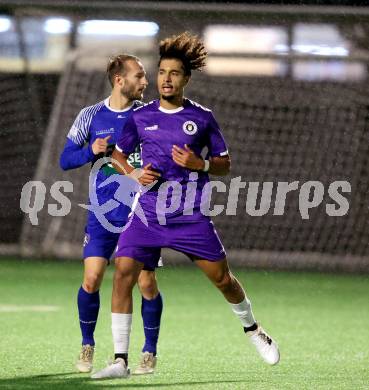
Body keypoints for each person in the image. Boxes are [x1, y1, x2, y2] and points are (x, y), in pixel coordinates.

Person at [92, 32, 279, 379]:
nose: (166, 78)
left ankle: (253, 330)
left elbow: (225, 163)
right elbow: (116, 153)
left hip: (190, 214)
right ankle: (119, 360)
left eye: (174, 73)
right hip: (148, 212)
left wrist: (201, 165)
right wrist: (131, 171)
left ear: (186, 78)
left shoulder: (203, 118)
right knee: (122, 275)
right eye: (162, 72)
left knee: (223, 280)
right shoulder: (141, 116)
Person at [59, 54, 163, 375]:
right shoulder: (90, 115)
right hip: (102, 214)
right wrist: (90, 151)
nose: (145, 82)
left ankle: (149, 351)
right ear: (120, 80)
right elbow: (65, 159)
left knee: (145, 284)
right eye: (139, 76)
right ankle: (87, 343)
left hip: (141, 214)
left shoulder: (149, 116)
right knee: (91, 280)